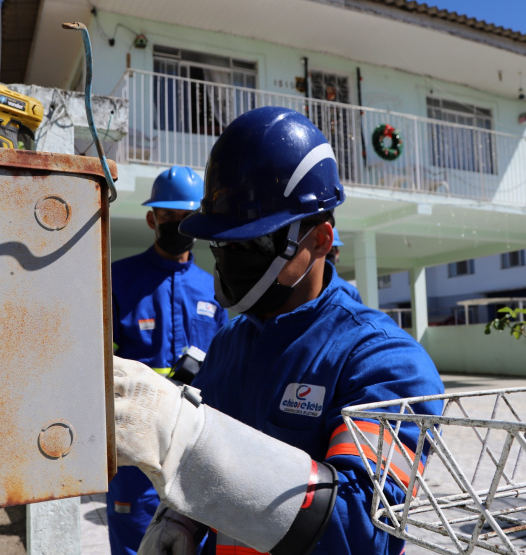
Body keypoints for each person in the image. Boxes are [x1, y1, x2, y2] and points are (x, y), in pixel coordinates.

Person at [112, 107, 444, 555]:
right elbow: (214, 469)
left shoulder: (385, 363)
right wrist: (182, 517)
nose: (229, 260)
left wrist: (177, 431)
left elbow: (361, 532)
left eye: (251, 243)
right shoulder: (230, 342)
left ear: (321, 240)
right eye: (222, 243)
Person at [107, 165, 228, 555]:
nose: (177, 226)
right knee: (134, 541)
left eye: (186, 218)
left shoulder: (214, 287)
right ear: (151, 219)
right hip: (135, 444)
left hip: (198, 443)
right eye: (168, 217)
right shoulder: (118, 280)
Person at [328, 228, 363, 303]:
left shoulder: (349, 292)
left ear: (337, 253)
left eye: (330, 251)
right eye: (323, 250)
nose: (325, 256)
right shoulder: (301, 288)